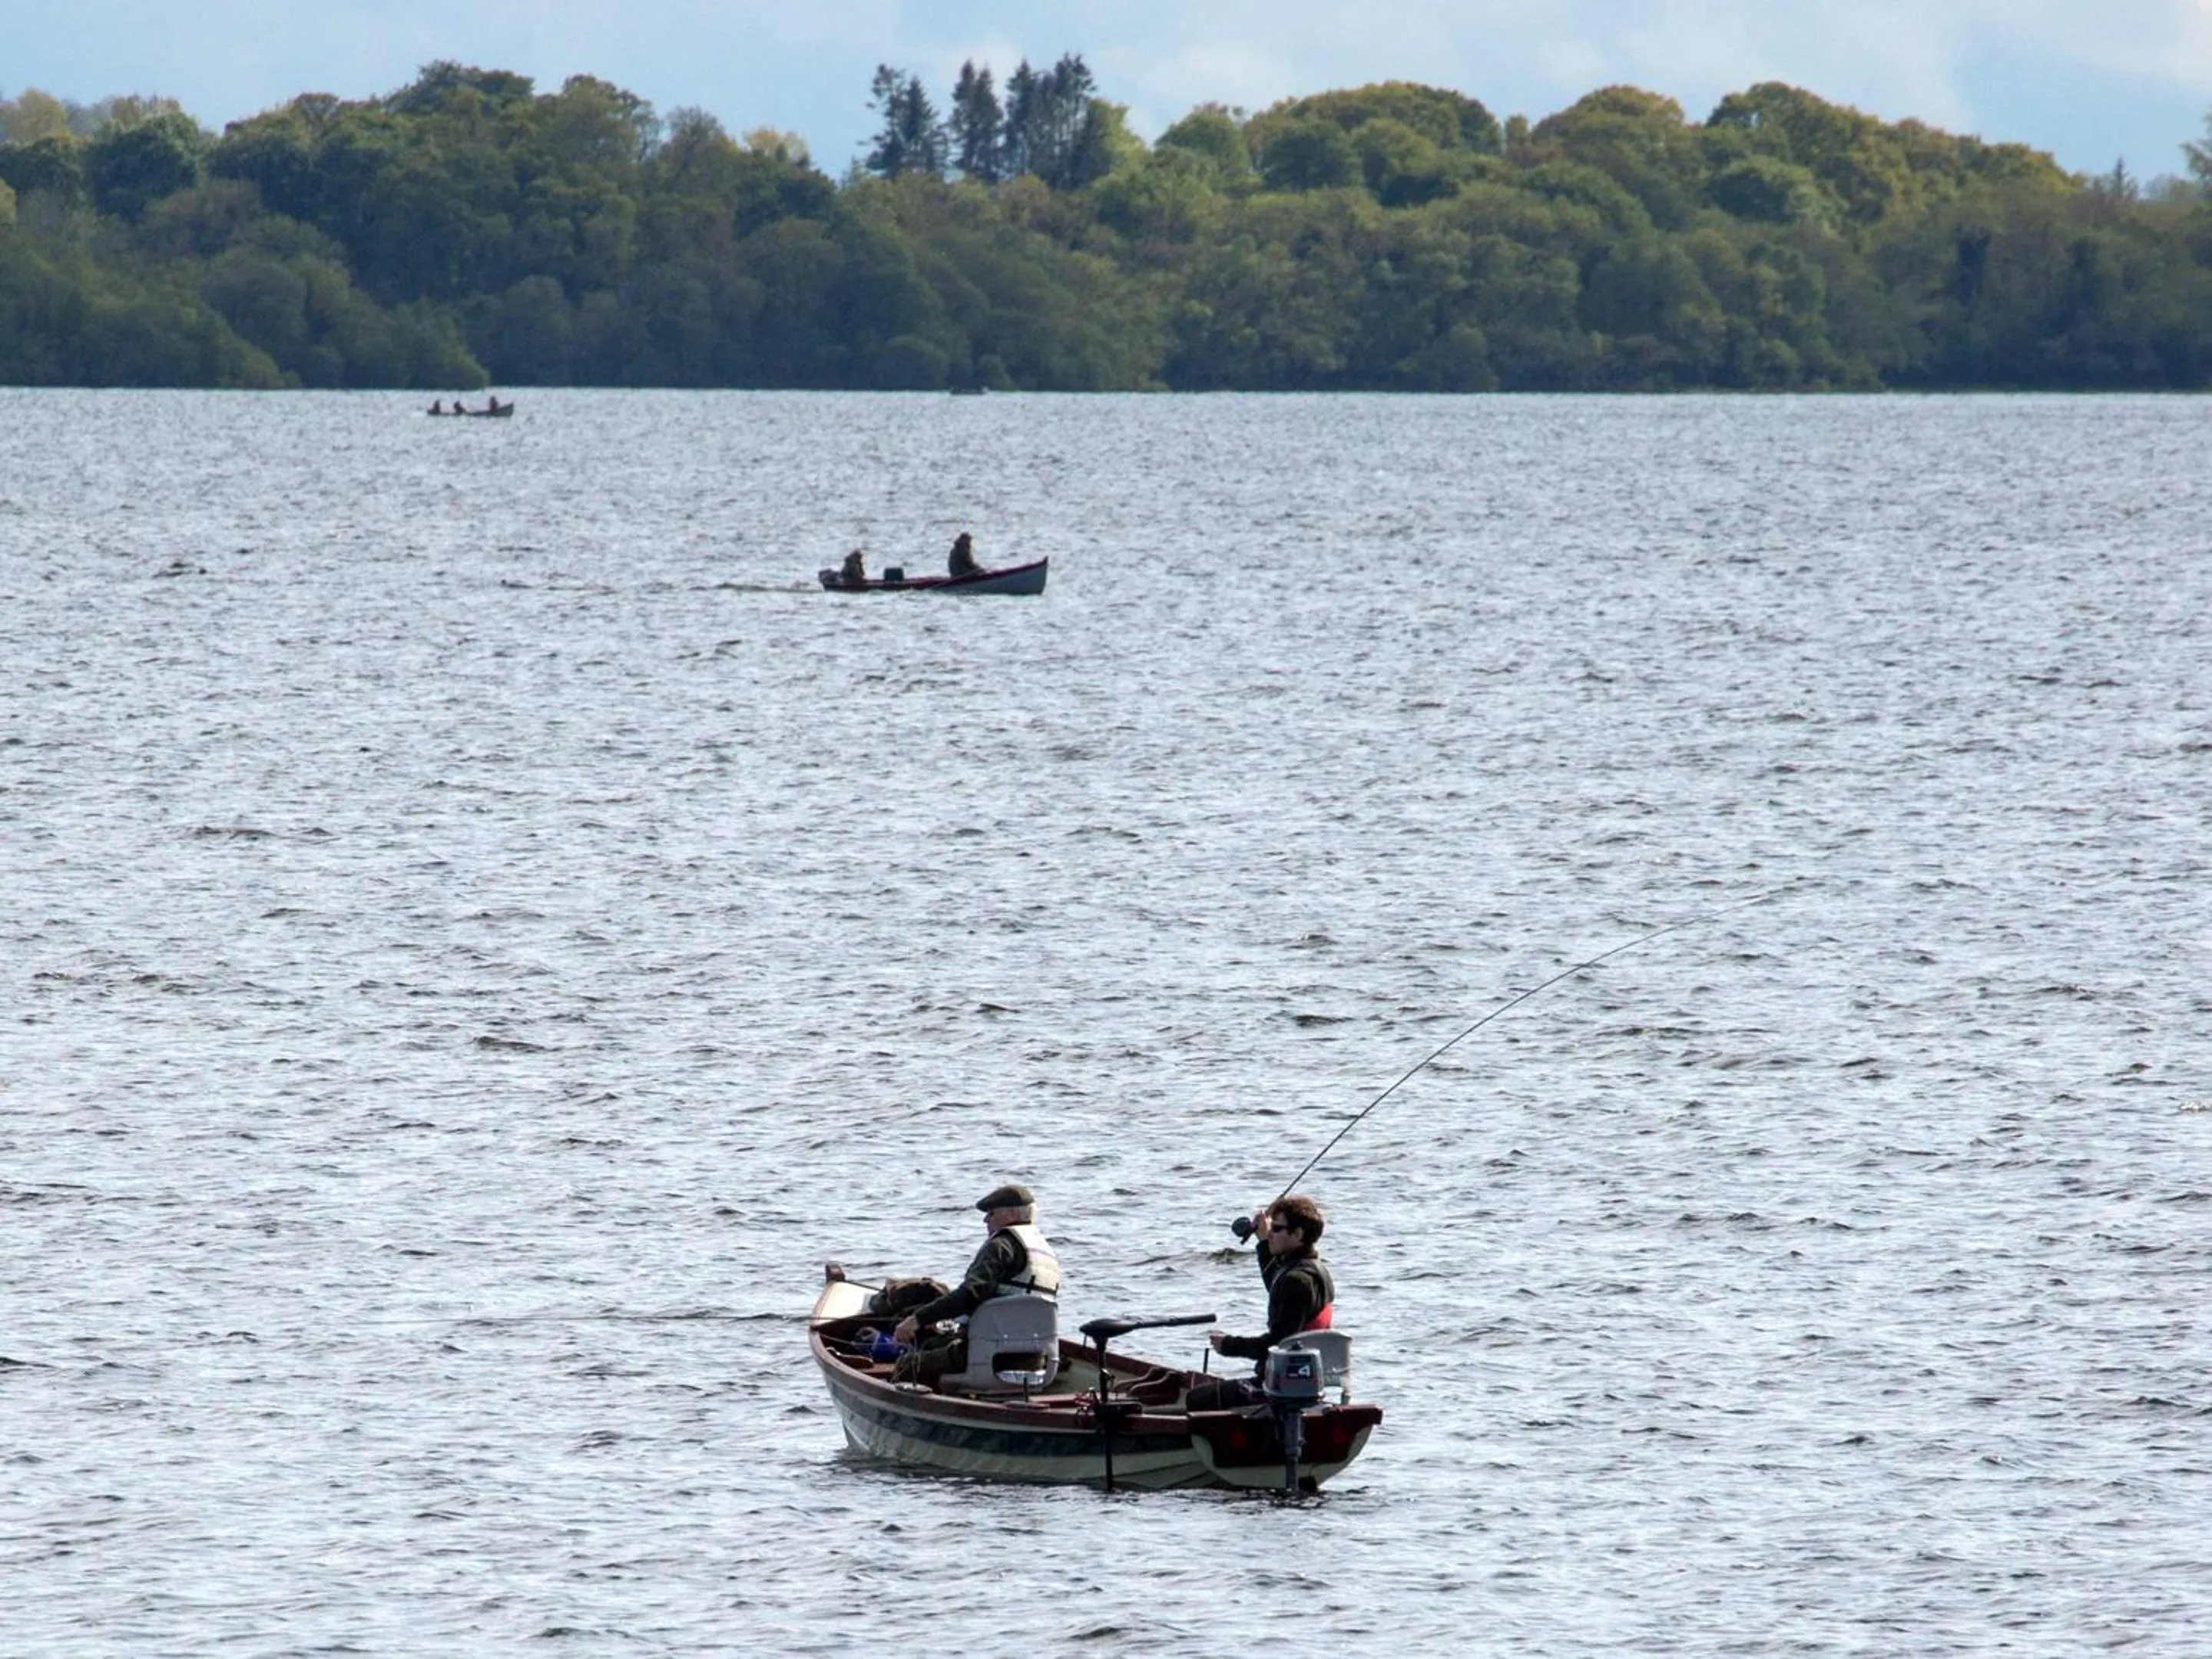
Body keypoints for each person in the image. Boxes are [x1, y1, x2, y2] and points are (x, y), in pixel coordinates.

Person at [870, 1184, 1061, 1387]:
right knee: (934, 1344)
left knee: (909, 1363)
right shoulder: (1044, 1252)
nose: (985, 1220)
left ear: (1011, 1214)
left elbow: (970, 1294)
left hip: (988, 1357)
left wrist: (917, 1319)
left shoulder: (1001, 1245)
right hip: (1035, 1360)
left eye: (991, 1213)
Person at [1186, 1194, 1335, 1412]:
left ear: (1298, 1234)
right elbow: (1277, 1284)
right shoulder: (1316, 1270)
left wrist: (1228, 1345)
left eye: (1277, 1229)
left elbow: (1276, 1345)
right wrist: (1264, 1242)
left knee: (1196, 1399)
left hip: (1278, 1387)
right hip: (1306, 1381)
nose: (1271, 1233)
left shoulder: (1296, 1281)